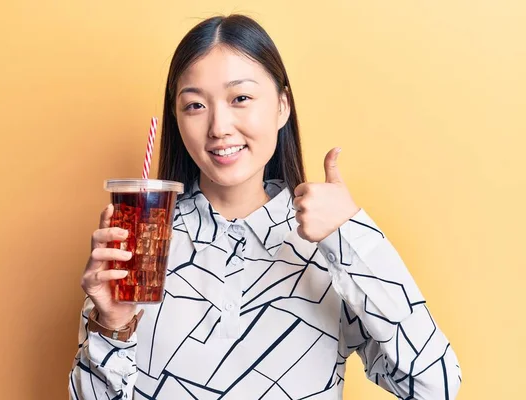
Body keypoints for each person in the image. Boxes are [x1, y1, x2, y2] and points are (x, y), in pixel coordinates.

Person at [69, 14, 462, 400]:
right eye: (194, 106)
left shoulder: (333, 241)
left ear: (282, 106)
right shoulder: (143, 243)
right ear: (176, 117)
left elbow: (434, 386)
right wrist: (112, 325)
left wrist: (352, 235)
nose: (219, 126)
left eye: (240, 98)